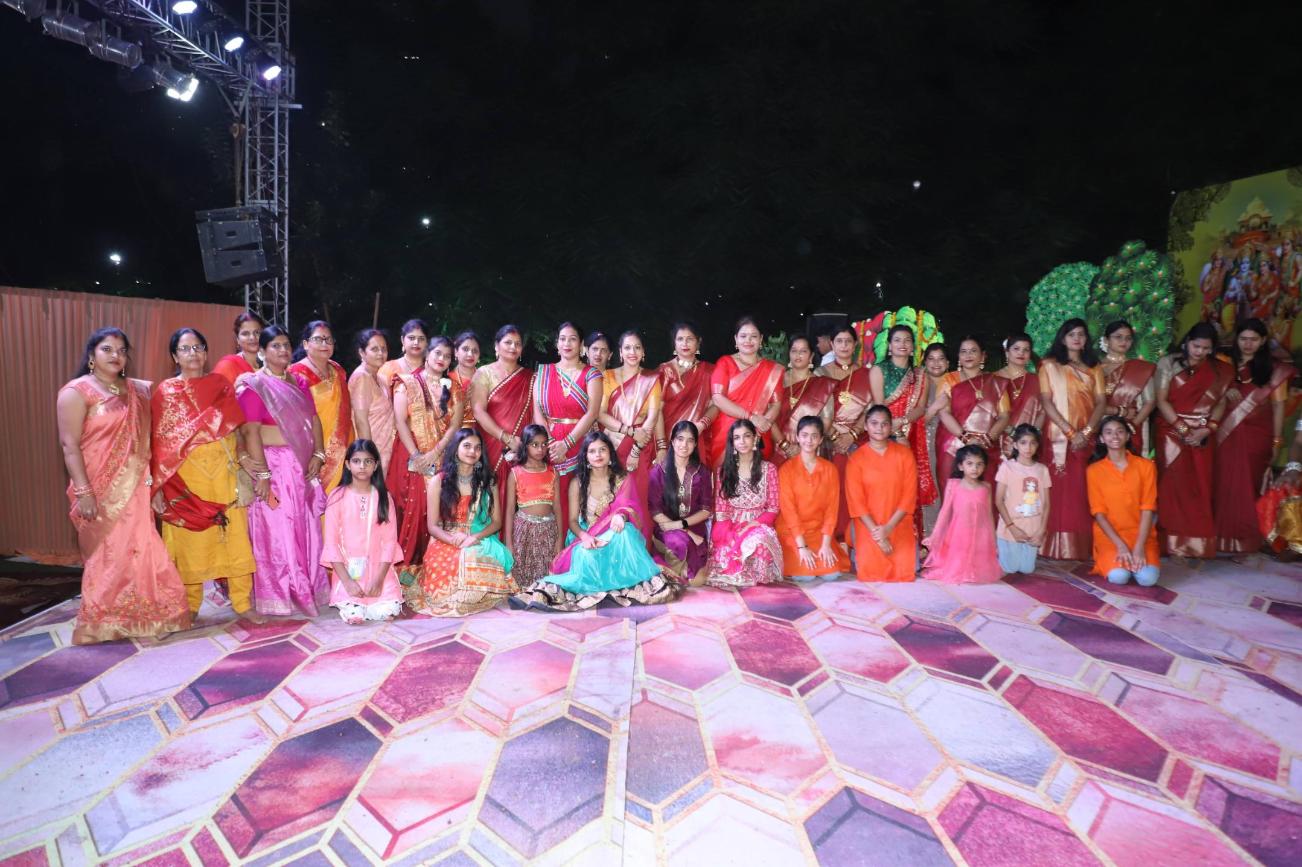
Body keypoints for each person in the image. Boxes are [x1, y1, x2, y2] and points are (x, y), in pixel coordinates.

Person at [56, 328, 190, 644]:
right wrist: (85, 492)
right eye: (107, 349)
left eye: (121, 350)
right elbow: (69, 446)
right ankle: (101, 623)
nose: (116, 355)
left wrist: (154, 486)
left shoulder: (138, 391)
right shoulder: (76, 392)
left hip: (137, 486)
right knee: (108, 553)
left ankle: (149, 616)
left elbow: (147, 443)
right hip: (98, 487)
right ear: (91, 355)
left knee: (143, 547)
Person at [151, 328, 258, 620]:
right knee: (189, 542)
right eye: (185, 349)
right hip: (186, 476)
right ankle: (190, 605)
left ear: (206, 352)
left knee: (234, 537)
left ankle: (243, 604)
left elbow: (236, 429)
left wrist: (243, 458)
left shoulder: (220, 384)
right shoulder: (166, 392)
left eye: (198, 347)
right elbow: (158, 445)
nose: (193, 353)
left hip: (224, 471)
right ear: (174, 356)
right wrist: (159, 487)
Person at [234, 326, 330, 618]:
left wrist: (318, 454)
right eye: (275, 345)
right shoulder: (254, 385)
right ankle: (279, 592)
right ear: (262, 351)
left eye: (286, 345)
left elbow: (314, 420)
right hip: (272, 467)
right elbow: (250, 432)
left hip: (300, 465)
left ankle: (306, 587)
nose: (283, 350)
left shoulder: (299, 382)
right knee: (277, 527)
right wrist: (263, 476)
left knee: (305, 524)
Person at [522, 432, 677, 610]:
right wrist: (586, 537)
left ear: (610, 453)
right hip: (585, 534)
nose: (598, 455)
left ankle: (624, 583)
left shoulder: (623, 479)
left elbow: (628, 508)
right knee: (586, 555)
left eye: (602, 450)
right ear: (586, 457)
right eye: (592, 451)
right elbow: (572, 521)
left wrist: (621, 516)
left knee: (626, 532)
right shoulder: (577, 483)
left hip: (613, 535)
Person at [410, 429, 517, 616]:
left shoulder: (488, 481)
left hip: (479, 538)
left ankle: (474, 594)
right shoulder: (438, 481)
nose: (472, 451)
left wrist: (473, 537)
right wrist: (454, 540)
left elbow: (496, 522)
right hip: (445, 537)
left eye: (477, 448)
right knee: (443, 577)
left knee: (473, 557)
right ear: (455, 449)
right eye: (467, 446)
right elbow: (432, 526)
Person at [1214, 318, 1295, 552]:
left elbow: (1278, 407)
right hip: (1224, 432)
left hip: (1257, 436)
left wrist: (1277, 441)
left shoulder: (1275, 370)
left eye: (1254, 339)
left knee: (1248, 486)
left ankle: (1243, 542)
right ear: (1236, 339)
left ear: (1263, 341)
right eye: (1243, 339)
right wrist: (1223, 390)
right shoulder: (1223, 363)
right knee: (1220, 483)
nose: (1248, 344)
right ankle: (1217, 538)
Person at [1154, 322, 1231, 558]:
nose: (1200, 352)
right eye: (1196, 346)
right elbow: (1161, 400)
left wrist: (1208, 429)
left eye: (1206, 348)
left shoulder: (1221, 370)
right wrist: (1183, 429)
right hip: (1171, 432)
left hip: (1203, 433)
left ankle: (1197, 543)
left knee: (1200, 486)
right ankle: (1169, 542)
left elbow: (1221, 402)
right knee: (1172, 486)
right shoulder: (1168, 363)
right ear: (1187, 342)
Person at [388, 335, 463, 573]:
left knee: (440, 510)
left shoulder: (454, 387)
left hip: (443, 456)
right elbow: (400, 421)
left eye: (447, 356)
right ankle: (407, 568)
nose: (442, 359)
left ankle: (435, 568)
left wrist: (436, 451)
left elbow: (455, 424)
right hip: (411, 455)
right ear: (427, 354)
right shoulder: (406, 382)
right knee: (411, 508)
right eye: (438, 353)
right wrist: (417, 456)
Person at [1037, 319, 1106, 559]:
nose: (1076, 338)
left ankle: (1081, 546)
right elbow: (1046, 401)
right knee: (1057, 490)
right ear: (1062, 338)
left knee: (1082, 491)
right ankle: (1051, 546)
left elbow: (1101, 402)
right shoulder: (1049, 365)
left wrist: (1086, 433)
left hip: (1087, 437)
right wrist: (1070, 433)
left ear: (1086, 339)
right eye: (1071, 334)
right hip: (1057, 436)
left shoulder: (1094, 367)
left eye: (1081, 334)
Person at [321, 440, 403, 624]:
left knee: (387, 611)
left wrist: (379, 579)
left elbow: (390, 541)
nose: (362, 466)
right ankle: (353, 603)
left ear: (376, 465)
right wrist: (348, 581)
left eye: (368, 461)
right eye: (356, 461)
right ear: (347, 465)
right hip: (348, 571)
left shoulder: (384, 497)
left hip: (378, 569)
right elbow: (331, 543)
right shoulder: (337, 497)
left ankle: (376, 598)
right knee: (354, 612)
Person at [534, 322, 603, 532]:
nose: (567, 343)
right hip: (549, 446)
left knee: (577, 500)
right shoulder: (543, 372)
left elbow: (592, 413)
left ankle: (576, 546)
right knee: (549, 500)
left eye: (573, 339)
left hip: (581, 443)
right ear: (557, 344)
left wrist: (567, 443)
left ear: (581, 345)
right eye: (562, 339)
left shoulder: (592, 374)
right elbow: (537, 412)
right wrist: (551, 444)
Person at [869, 325, 936, 537]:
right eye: (897, 340)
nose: (902, 344)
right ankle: (882, 533)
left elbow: (921, 408)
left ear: (913, 346)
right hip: (883, 435)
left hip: (911, 433)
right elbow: (879, 406)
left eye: (907, 340)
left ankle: (912, 537)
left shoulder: (920, 374)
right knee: (886, 486)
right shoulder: (878, 370)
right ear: (889, 345)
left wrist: (903, 422)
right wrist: (894, 431)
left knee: (908, 486)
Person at [597, 330, 663, 543]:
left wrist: (636, 449)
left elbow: (652, 417)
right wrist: (629, 431)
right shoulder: (607, 376)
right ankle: (607, 546)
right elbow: (600, 413)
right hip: (612, 443)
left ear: (643, 352)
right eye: (627, 347)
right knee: (609, 496)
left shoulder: (651, 379)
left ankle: (638, 548)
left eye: (637, 347)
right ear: (620, 352)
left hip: (640, 448)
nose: (632, 352)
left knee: (637, 497)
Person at [705, 419, 783, 588]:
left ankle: (753, 573)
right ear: (732, 442)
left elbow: (773, 508)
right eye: (737, 437)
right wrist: (730, 534)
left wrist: (751, 526)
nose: (742, 441)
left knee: (758, 545)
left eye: (747, 436)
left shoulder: (768, 469)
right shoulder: (724, 471)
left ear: (755, 438)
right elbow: (721, 510)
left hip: (759, 524)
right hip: (731, 524)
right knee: (726, 549)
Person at [845, 405, 918, 582]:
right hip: (868, 527)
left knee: (906, 573)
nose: (879, 428)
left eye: (884, 424)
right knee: (871, 574)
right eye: (874, 423)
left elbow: (909, 497)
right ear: (865, 426)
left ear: (891, 426)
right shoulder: (856, 459)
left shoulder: (905, 455)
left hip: (898, 524)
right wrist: (879, 535)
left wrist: (888, 528)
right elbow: (856, 503)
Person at [1087, 416, 1160, 586]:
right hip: (1110, 537)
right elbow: (1099, 513)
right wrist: (1120, 546)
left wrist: (1139, 547)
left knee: (1147, 579)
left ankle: (1136, 561)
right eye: (1109, 432)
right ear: (1102, 438)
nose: (1115, 436)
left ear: (1127, 436)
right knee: (1119, 576)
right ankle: (1110, 560)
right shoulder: (1094, 470)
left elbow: (1148, 508)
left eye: (1120, 431)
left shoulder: (1146, 466)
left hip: (1141, 535)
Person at [777, 416, 850, 581]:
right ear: (797, 437)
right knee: (806, 577)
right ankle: (796, 556)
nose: (809, 440)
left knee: (832, 575)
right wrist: (802, 547)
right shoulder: (786, 470)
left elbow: (832, 510)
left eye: (814, 436)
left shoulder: (830, 470)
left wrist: (826, 545)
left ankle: (825, 550)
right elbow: (789, 512)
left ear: (821, 440)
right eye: (804, 435)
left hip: (819, 533)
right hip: (792, 533)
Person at [705, 316, 783, 468]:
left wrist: (761, 425)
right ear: (736, 339)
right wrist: (750, 417)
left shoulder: (771, 369)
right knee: (726, 477)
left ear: (761, 339)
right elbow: (718, 398)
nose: (748, 340)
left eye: (753, 336)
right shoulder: (725, 363)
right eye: (743, 336)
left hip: (759, 433)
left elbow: (776, 404)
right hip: (727, 434)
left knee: (757, 476)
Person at [933, 335, 1010, 489]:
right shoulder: (948, 379)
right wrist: (966, 439)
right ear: (958, 356)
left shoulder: (996, 382)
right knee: (953, 494)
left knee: (984, 495)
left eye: (973, 351)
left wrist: (986, 440)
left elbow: (1004, 415)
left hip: (986, 448)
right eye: (964, 351)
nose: (968, 355)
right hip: (952, 447)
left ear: (983, 356)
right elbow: (944, 413)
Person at [471, 324, 535, 505]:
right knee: (486, 494)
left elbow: (534, 415)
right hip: (489, 443)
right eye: (508, 342)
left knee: (514, 498)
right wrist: (506, 438)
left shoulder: (530, 378)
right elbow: (478, 411)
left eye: (518, 343)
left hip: (519, 447)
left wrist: (524, 445)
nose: (513, 347)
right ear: (496, 346)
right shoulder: (484, 373)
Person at [922, 445, 1002, 583]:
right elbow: (945, 511)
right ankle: (960, 571)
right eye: (969, 464)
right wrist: (935, 535)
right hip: (958, 531)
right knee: (958, 556)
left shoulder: (986, 487)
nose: (975, 468)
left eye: (979, 464)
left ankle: (973, 572)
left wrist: (993, 539)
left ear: (984, 467)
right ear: (960, 466)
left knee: (978, 557)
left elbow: (989, 514)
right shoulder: (954, 485)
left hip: (980, 532)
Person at [289, 321, 353, 491]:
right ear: (305, 344)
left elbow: (346, 411)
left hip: (344, 447)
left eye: (328, 340)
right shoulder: (295, 374)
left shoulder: (338, 370)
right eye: (318, 339)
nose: (324, 344)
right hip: (313, 450)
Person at [822, 326, 874, 535]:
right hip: (827, 442)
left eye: (848, 341)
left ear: (855, 345)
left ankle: (855, 536)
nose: (844, 345)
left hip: (858, 440)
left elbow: (870, 408)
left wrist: (852, 435)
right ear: (832, 345)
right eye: (839, 341)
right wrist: (835, 436)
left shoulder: (866, 374)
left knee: (857, 489)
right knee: (832, 489)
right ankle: (833, 535)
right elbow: (817, 408)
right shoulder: (821, 373)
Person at [648, 421, 714, 585]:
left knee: (698, 578)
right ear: (672, 441)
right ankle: (677, 571)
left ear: (696, 444)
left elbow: (706, 510)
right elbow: (655, 511)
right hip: (666, 528)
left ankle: (676, 572)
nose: (684, 445)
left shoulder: (702, 472)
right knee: (679, 542)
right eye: (680, 439)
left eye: (690, 440)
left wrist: (681, 525)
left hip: (695, 528)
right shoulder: (658, 471)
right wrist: (683, 530)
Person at [503, 424, 561, 590]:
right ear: (525, 445)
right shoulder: (516, 473)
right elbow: (509, 511)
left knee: (546, 576)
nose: (540, 449)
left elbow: (557, 508)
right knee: (522, 576)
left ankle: (542, 594)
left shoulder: (553, 472)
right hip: (523, 530)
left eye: (544, 444)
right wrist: (509, 542)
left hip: (547, 530)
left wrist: (559, 539)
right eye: (534, 444)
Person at [657, 321, 718, 465]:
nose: (684, 343)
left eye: (689, 339)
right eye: (680, 339)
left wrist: (700, 425)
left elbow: (716, 404)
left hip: (698, 436)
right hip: (668, 436)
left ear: (698, 342)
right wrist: (661, 446)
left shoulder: (710, 371)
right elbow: (656, 410)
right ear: (674, 343)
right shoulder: (664, 371)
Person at [994, 424, 1051, 575]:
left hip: (1032, 530)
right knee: (1010, 568)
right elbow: (998, 501)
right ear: (1015, 445)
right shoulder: (1007, 467)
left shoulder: (1042, 470)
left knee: (1027, 569)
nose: (1028, 448)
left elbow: (1046, 504)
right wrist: (1012, 527)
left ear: (1037, 445)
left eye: (1033, 443)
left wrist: (1041, 530)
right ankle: (998, 549)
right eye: (1023, 443)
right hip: (1010, 528)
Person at [773, 335, 835, 466]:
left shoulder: (822, 385)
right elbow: (769, 419)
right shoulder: (776, 380)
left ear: (811, 356)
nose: (798, 355)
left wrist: (804, 446)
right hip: (778, 449)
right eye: (794, 351)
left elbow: (826, 422)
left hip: (810, 450)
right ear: (789, 354)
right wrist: (786, 446)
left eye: (803, 351)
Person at [1097, 321, 1157, 454]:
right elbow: (1086, 403)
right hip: (1098, 426)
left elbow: (1150, 401)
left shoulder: (1141, 369)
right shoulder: (1093, 368)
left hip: (1130, 426)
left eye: (1128, 338)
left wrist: (1132, 425)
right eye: (1118, 337)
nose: (1124, 341)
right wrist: (1120, 412)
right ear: (1106, 340)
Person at [348, 328, 397, 471]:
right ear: (362, 352)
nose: (381, 353)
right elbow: (361, 421)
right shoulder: (362, 377)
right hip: (371, 451)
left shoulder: (381, 378)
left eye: (383, 349)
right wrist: (370, 456)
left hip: (385, 450)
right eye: (374, 349)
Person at [993, 332, 1044, 459]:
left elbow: (1043, 412)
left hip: (1027, 447)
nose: (1021, 353)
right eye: (1016, 349)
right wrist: (1012, 433)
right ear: (1007, 352)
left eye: (1026, 350)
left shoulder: (1037, 381)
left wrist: (1030, 438)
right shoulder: (993, 379)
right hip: (997, 440)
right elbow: (989, 412)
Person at [920, 342, 951, 538]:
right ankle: (929, 535)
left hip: (950, 444)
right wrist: (935, 407)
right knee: (929, 486)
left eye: (941, 359)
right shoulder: (918, 385)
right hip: (924, 443)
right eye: (931, 359)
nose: (936, 363)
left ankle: (949, 533)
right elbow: (914, 420)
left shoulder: (955, 382)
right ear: (924, 362)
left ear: (948, 363)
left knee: (948, 486)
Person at [212, 310, 266, 383]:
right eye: (245, 333)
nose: (252, 337)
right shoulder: (228, 365)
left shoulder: (273, 363)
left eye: (257, 332)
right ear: (237, 339)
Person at [377, 318, 428, 389]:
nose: (416, 342)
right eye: (411, 338)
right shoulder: (388, 368)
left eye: (421, 339)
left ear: (427, 342)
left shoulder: (431, 370)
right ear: (402, 340)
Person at [449, 330, 480, 428]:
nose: (470, 354)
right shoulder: (446, 380)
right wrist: (462, 401)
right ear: (456, 352)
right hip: (455, 433)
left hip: (486, 433)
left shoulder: (486, 377)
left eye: (475, 351)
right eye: (465, 349)